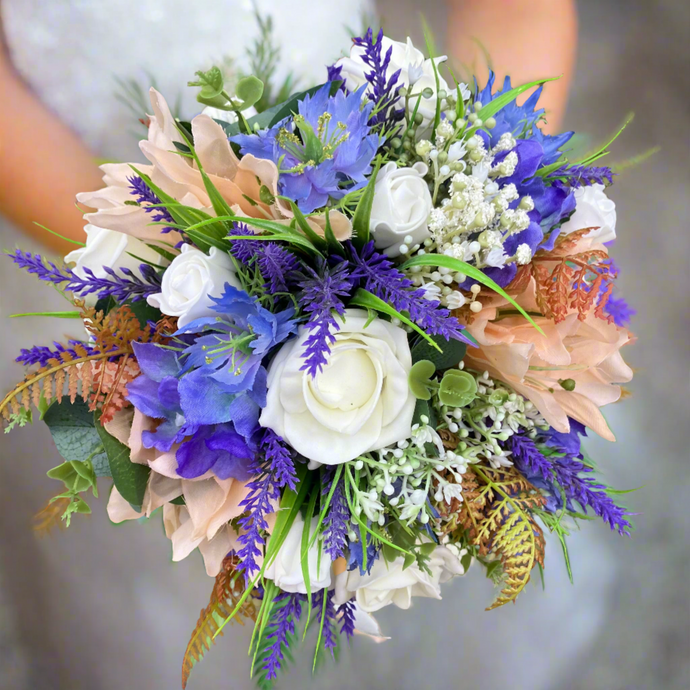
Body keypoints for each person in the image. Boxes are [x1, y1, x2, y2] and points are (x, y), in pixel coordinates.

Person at [0, 0, 577, 254]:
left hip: (366, 142)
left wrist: (480, 204)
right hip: (111, 194)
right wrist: (162, 268)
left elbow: (513, 9)